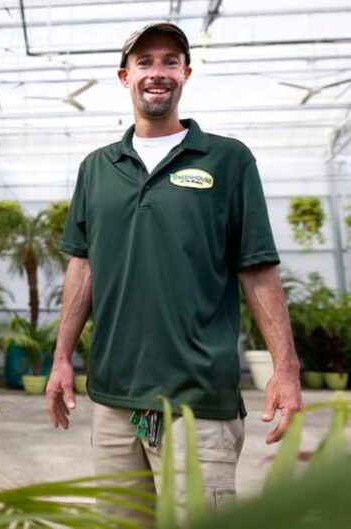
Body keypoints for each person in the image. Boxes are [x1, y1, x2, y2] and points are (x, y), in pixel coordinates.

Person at [45, 22, 303, 522]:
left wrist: (285, 369)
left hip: (197, 403)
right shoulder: (97, 168)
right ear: (125, 77)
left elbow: (257, 269)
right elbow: (84, 265)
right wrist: (60, 359)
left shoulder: (227, 161)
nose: (156, 73)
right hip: (115, 399)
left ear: (186, 72)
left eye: (169, 61)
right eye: (144, 63)